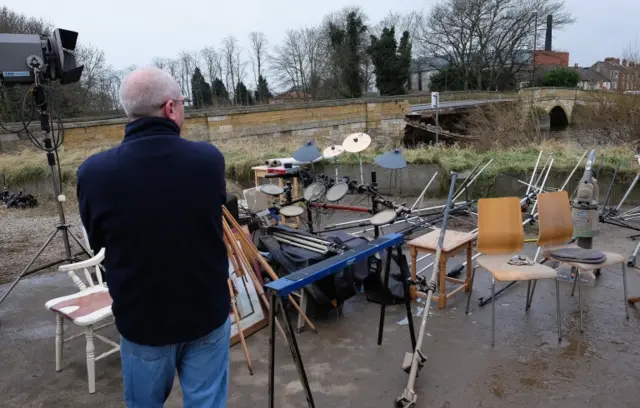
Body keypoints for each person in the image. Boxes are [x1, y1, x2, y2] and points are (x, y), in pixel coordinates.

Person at [76, 66, 230, 408]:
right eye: (182, 104)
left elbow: (97, 240)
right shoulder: (208, 161)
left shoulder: (93, 174)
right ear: (170, 108)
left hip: (143, 321)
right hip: (206, 313)